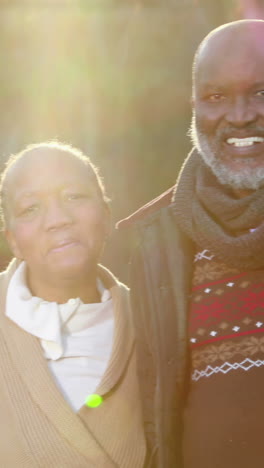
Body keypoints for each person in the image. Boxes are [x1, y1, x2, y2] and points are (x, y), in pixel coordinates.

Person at [117, 19, 264, 468]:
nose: (239, 116)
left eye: (261, 91)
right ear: (194, 105)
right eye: (216, 97)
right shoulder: (152, 243)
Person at [0, 141, 146, 467]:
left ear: (107, 216)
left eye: (74, 197)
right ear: (13, 240)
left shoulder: (152, 322)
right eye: (30, 209)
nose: (58, 219)